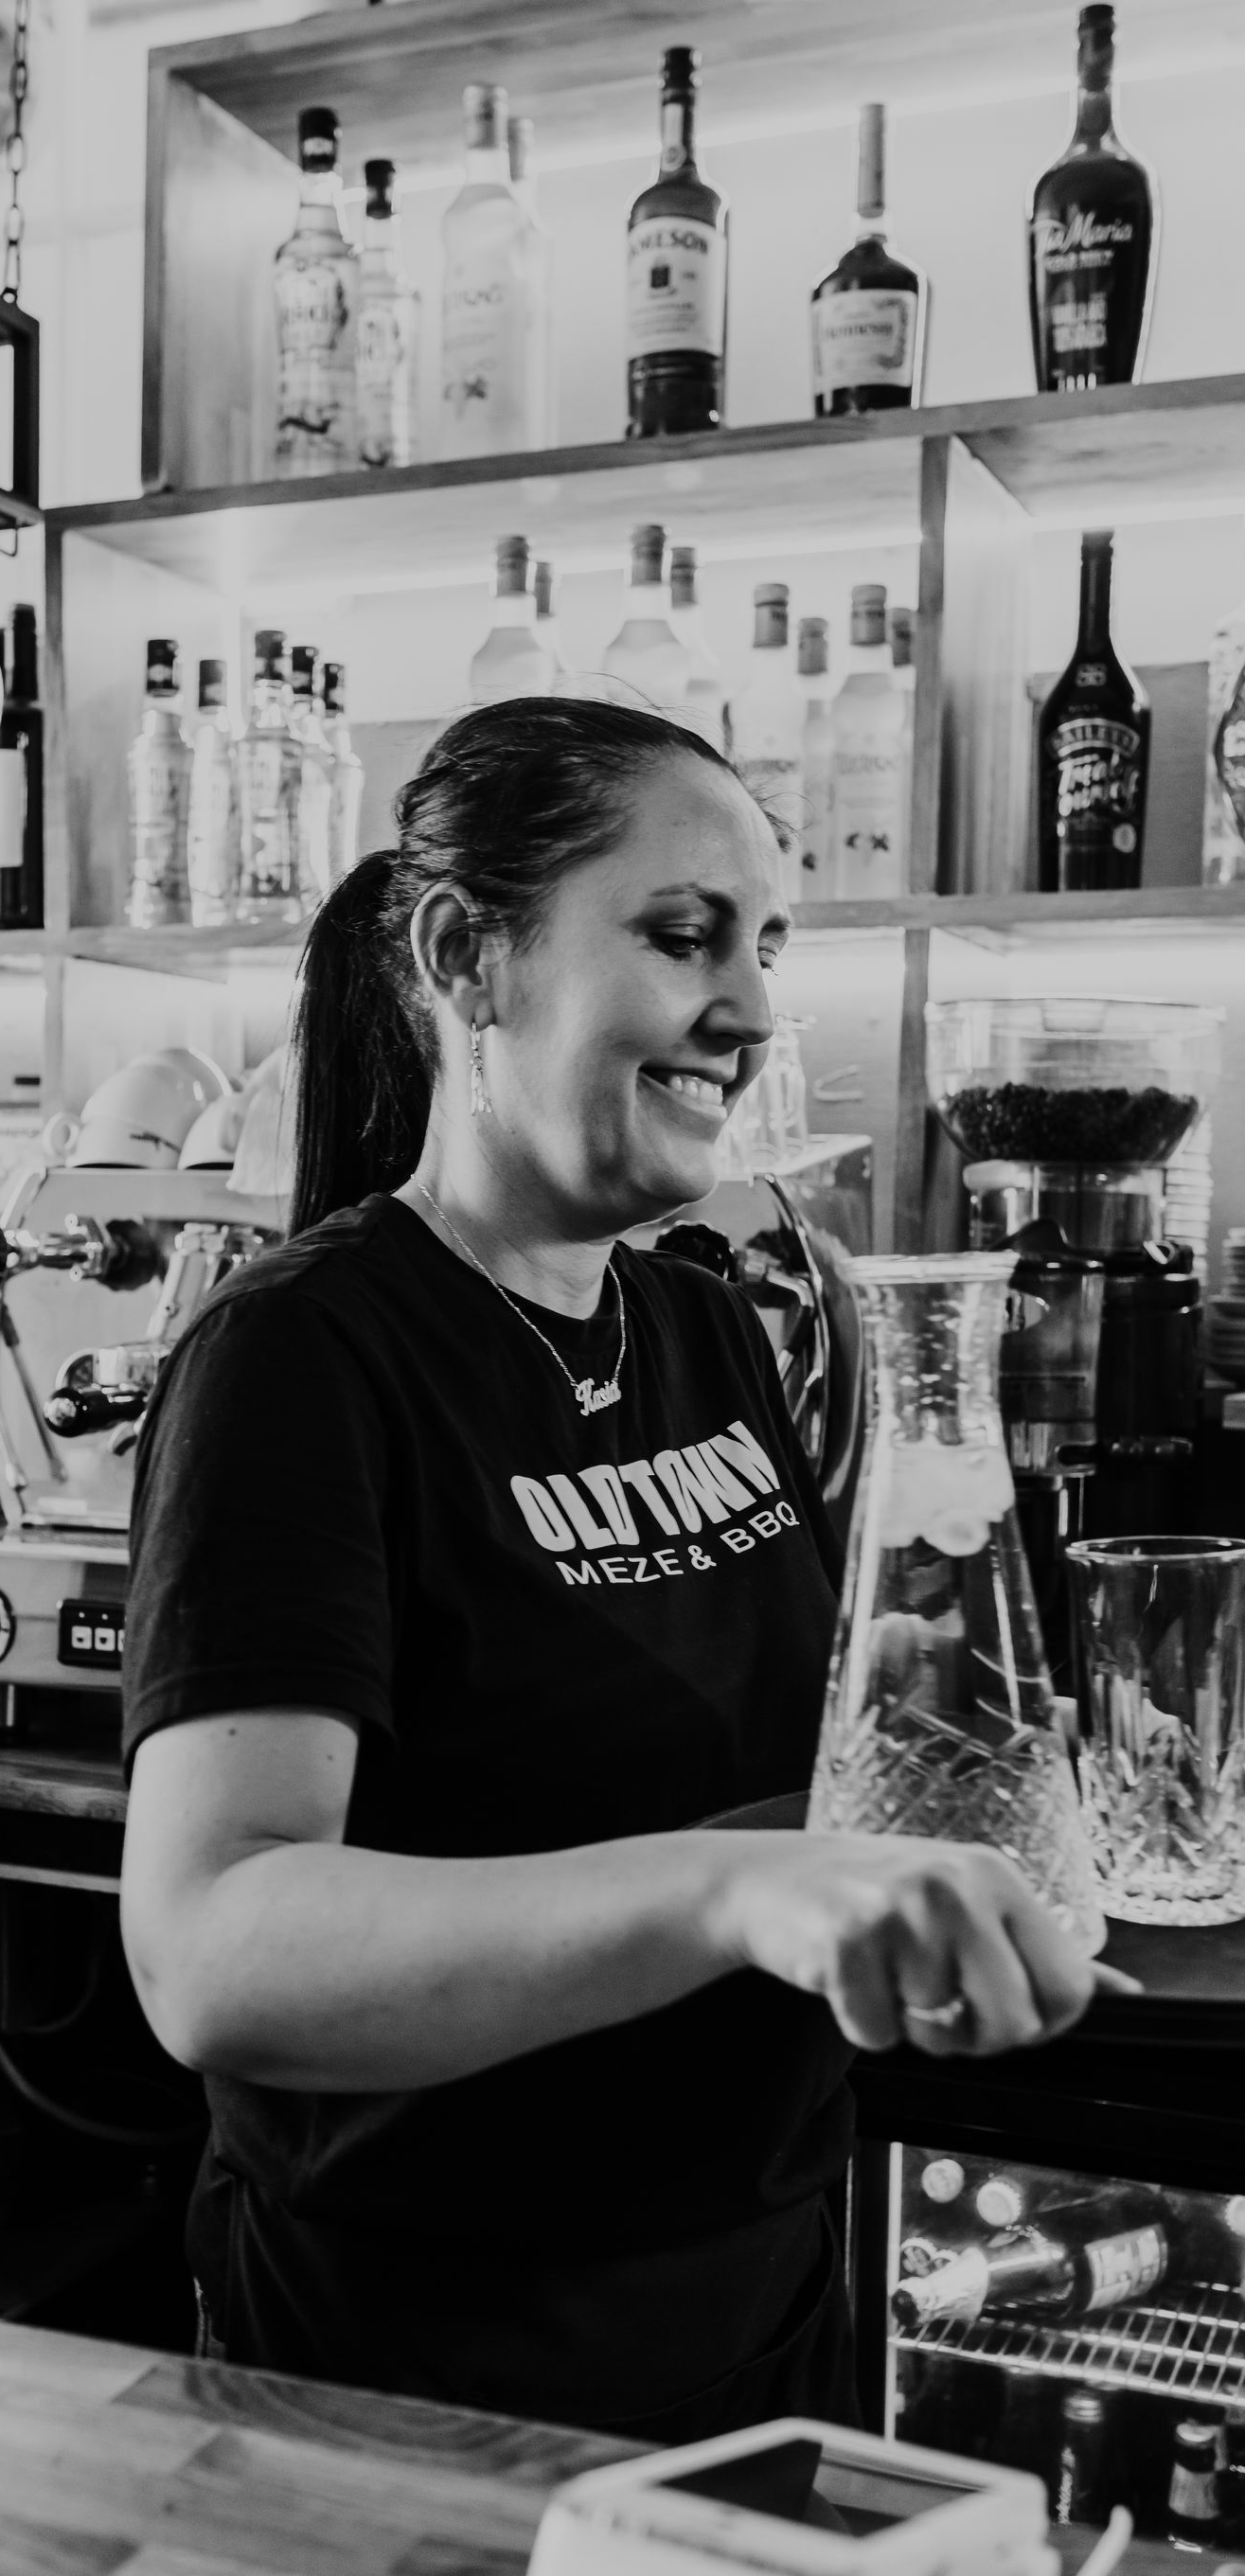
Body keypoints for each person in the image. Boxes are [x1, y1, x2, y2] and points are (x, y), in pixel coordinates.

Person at [117, 699, 1110, 2442]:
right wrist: (740, 1886)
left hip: (764, 2321)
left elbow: (747, 1771)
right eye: (682, 935)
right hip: (421, 2383)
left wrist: (914, 1779)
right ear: (466, 955)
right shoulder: (305, 1355)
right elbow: (216, 1948)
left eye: (766, 947)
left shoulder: (705, 1330)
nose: (752, 1009)